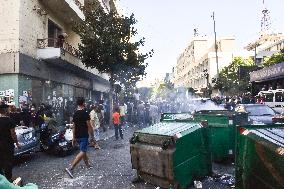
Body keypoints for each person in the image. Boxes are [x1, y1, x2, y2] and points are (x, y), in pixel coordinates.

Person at [65, 98, 94, 178]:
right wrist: (92, 137)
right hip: (84, 135)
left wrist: (74, 138)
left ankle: (88, 165)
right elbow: (89, 126)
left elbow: (74, 127)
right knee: (83, 151)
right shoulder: (85, 113)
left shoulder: (75, 114)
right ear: (84, 103)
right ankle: (71, 168)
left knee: (83, 151)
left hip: (77, 136)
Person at [0, 103, 20, 182]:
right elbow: (13, 134)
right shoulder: (9, 120)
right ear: (5, 110)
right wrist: (17, 143)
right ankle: (9, 178)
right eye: (8, 109)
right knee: (8, 161)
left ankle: (1, 178)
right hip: (7, 144)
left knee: (1, 160)